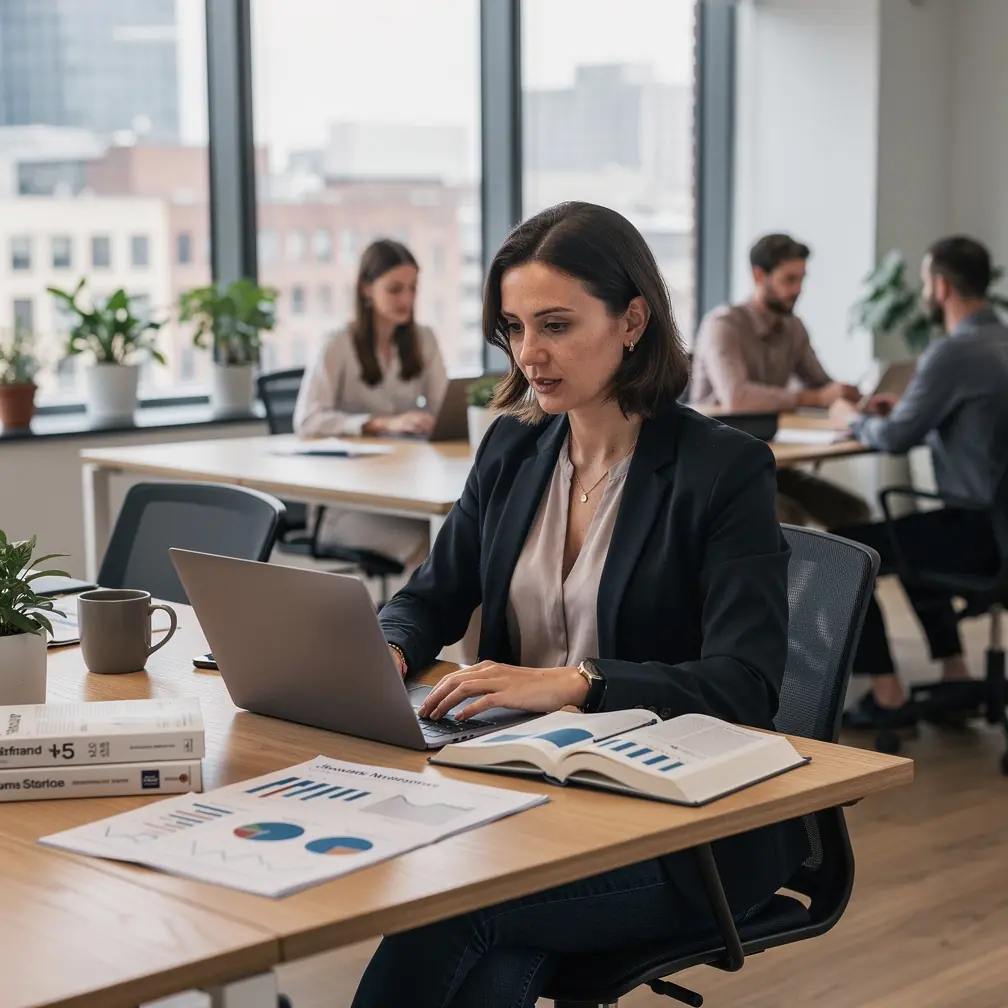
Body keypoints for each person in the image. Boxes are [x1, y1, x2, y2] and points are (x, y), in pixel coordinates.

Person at [348, 203, 809, 1008]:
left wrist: (579, 682)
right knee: (485, 958)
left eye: (555, 325)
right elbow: (430, 596)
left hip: (678, 827)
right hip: (525, 793)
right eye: (514, 327)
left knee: (450, 910)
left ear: (633, 320)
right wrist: (383, 651)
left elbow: (745, 684)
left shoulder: (722, 469)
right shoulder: (513, 446)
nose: (530, 355)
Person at [829, 236, 1008, 730]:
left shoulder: (954, 352)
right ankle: (955, 670)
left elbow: (895, 439)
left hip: (975, 535)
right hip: (995, 534)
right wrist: (907, 412)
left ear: (941, 285)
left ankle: (886, 694)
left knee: (846, 552)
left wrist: (853, 416)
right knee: (910, 535)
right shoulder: (1000, 343)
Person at [691, 233, 869, 528]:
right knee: (790, 519)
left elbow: (820, 384)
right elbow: (737, 398)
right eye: (789, 280)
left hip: (769, 458)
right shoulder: (723, 326)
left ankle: (835, 576)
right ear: (759, 275)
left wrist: (854, 399)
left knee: (853, 512)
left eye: (801, 280)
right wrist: (813, 399)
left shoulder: (793, 327)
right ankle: (796, 576)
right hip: (719, 465)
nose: (798, 289)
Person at [293, 238, 449, 565]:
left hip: (406, 495)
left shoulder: (423, 339)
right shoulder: (338, 343)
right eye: (395, 289)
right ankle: (404, 618)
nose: (407, 298)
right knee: (434, 548)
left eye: (413, 288)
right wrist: (380, 423)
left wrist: (431, 419)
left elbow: (444, 406)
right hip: (344, 508)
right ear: (366, 289)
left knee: (460, 538)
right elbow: (307, 420)